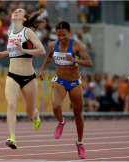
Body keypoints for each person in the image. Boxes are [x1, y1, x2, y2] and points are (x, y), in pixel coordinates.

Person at [0, 8, 46, 149]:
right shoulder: (10, 33)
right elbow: (12, 50)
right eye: (15, 10)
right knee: (11, 105)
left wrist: (24, 50)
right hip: (13, 76)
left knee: (29, 113)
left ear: (24, 19)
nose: (16, 11)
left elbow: (42, 51)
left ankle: (35, 114)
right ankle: (12, 138)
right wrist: (2, 54)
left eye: (20, 11)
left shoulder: (28, 32)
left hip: (28, 78)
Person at [39, 21, 92, 159]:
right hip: (59, 81)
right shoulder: (53, 45)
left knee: (78, 114)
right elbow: (49, 55)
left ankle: (80, 143)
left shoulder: (77, 45)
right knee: (56, 107)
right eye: (58, 35)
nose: (61, 38)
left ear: (69, 33)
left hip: (74, 83)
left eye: (63, 35)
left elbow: (89, 63)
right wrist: (43, 69)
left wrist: (75, 60)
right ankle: (61, 122)